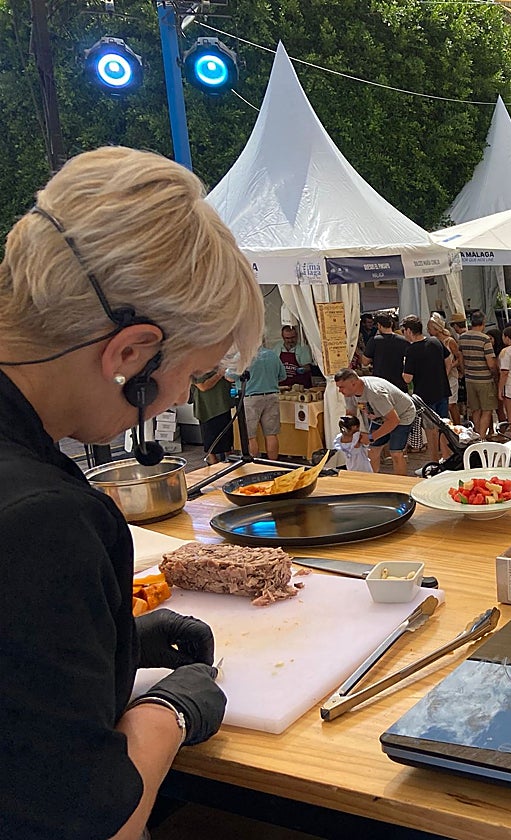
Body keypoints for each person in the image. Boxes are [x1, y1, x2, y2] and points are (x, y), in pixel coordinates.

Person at [0, 147, 263, 838]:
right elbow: (92, 825)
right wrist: (168, 712)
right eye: (192, 376)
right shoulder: (42, 525)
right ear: (130, 355)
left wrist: (106, 640)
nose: (178, 399)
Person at [334, 368, 417, 476]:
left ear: (353, 383)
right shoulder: (349, 393)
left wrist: (371, 437)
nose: (339, 391)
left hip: (402, 415)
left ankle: (401, 484)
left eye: (341, 387)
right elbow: (351, 415)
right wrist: (350, 434)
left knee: (396, 453)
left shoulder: (375, 393)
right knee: (372, 451)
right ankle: (371, 480)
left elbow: (394, 420)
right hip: (379, 417)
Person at [243, 339, 286, 460]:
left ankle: (253, 464)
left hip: (251, 398)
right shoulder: (272, 355)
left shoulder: (244, 357)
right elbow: (283, 376)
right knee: (271, 434)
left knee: (250, 436)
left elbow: (230, 377)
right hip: (272, 396)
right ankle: (273, 463)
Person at [458, 310, 499, 434]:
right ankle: (482, 436)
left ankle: (476, 434)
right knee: (487, 410)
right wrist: (495, 374)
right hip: (484, 379)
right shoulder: (485, 339)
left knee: (475, 410)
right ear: (483, 322)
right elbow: (491, 363)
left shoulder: (462, 337)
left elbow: (460, 359)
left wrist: (465, 371)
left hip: (470, 379)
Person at [190, 367, 235, 465]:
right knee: (210, 438)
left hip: (222, 404)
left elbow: (232, 378)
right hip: (207, 408)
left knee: (226, 437)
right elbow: (203, 386)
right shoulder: (197, 367)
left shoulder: (219, 362)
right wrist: (219, 374)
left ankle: (230, 460)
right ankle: (213, 462)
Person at [363, 313, 408, 388]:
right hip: (399, 383)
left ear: (379, 325)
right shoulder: (403, 340)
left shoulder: (374, 341)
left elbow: (365, 362)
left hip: (380, 383)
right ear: (391, 324)